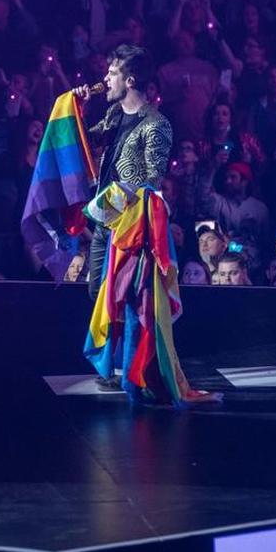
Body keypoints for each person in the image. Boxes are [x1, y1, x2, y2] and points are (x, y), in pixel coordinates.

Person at [76, 45, 214, 405]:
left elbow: (151, 179)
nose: (105, 80)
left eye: (112, 74)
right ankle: (119, 365)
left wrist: (110, 204)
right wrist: (77, 108)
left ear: (130, 79)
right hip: (105, 219)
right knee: (98, 291)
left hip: (132, 227)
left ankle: (129, 370)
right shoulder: (111, 114)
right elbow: (84, 143)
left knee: (128, 298)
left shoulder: (157, 124)